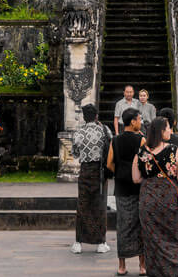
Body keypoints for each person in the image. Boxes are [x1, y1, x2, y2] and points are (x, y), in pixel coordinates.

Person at [132, 117, 178, 277]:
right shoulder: (173, 150)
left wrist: (151, 179)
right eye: (168, 128)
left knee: (152, 238)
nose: (170, 131)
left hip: (148, 199)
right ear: (162, 131)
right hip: (169, 199)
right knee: (174, 235)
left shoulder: (142, 151)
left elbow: (136, 178)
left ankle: (156, 271)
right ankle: (175, 269)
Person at [106, 108, 146, 276]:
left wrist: (120, 172)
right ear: (132, 122)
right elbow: (146, 162)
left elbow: (109, 164)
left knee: (122, 225)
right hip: (139, 187)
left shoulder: (115, 140)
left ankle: (122, 265)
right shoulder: (142, 140)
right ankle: (142, 265)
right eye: (139, 119)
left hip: (121, 187)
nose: (141, 122)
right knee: (140, 224)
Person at [70, 103, 112, 255]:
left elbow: (75, 153)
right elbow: (110, 147)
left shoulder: (79, 132)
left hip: (85, 170)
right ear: (96, 116)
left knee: (83, 204)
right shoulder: (104, 130)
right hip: (100, 170)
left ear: (83, 116)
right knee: (99, 205)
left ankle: (78, 242)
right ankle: (101, 242)